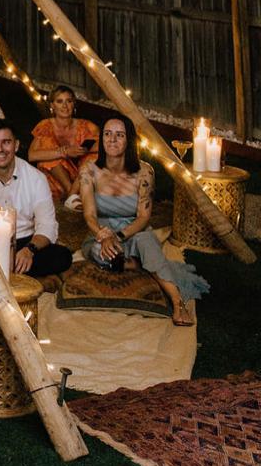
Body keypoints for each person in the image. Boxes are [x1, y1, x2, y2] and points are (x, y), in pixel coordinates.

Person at [79, 117, 206, 324]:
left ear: (129, 141)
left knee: (148, 245)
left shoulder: (144, 171)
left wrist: (118, 236)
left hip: (134, 230)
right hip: (102, 232)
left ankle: (177, 303)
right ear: (101, 139)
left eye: (119, 135)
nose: (112, 140)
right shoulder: (88, 170)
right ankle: (138, 264)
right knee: (101, 254)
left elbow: (143, 217)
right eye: (108, 134)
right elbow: (89, 215)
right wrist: (103, 235)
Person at [0, 121, 66, 278]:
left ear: (16, 145)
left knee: (62, 256)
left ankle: (0, 270)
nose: (0, 149)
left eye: (6, 142)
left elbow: (47, 225)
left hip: (24, 242)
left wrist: (30, 250)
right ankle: (13, 272)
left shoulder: (36, 178)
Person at [28, 86, 98, 201]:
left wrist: (83, 150)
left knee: (96, 156)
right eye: (59, 101)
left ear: (73, 104)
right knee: (47, 148)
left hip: (83, 178)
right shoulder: (46, 125)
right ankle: (71, 193)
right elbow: (32, 155)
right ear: (52, 105)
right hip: (57, 180)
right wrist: (65, 152)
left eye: (69, 101)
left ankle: (73, 194)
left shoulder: (87, 126)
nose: (65, 106)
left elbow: (107, 145)